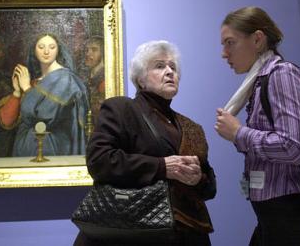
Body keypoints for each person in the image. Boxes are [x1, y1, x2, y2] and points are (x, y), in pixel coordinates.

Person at [74, 40, 216, 245]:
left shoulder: (192, 127)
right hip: (130, 234)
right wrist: (161, 167)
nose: (170, 72)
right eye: (160, 66)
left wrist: (198, 179)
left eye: (173, 67)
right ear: (140, 79)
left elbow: (210, 187)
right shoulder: (121, 109)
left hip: (187, 234)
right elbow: (99, 161)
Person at [215, 6, 300, 245]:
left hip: (292, 214)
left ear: (258, 39)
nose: (224, 53)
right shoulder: (259, 83)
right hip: (272, 215)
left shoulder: (282, 75)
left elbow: (294, 146)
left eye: (230, 43)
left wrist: (239, 133)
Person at [0, 33, 89, 157]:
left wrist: (27, 88)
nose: (46, 51)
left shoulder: (65, 79)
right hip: (26, 149)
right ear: (34, 50)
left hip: (52, 148)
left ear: (58, 50)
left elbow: (45, 116)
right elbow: (7, 121)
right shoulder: (36, 81)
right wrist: (17, 92)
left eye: (52, 47)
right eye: (41, 47)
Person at [82, 36, 105, 123]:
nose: (88, 54)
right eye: (87, 50)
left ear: (103, 53)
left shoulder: (104, 81)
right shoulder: (89, 77)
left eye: (94, 50)